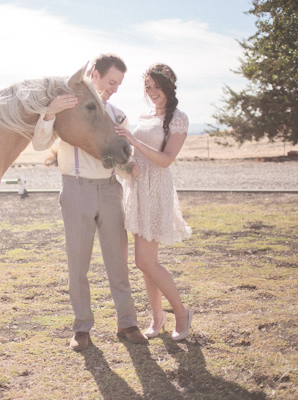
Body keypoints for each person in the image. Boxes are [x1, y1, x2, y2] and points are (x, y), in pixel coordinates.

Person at [32, 54, 148, 351]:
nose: (114, 89)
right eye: (111, 81)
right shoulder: (68, 110)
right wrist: (49, 113)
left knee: (117, 262)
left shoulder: (118, 115)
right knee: (78, 263)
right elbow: (40, 144)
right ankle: (82, 327)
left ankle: (127, 322)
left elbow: (122, 159)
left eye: (119, 84)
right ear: (93, 75)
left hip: (110, 191)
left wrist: (130, 165)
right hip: (76, 190)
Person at [115, 63, 193, 341]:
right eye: (147, 87)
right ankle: (156, 318)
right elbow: (136, 152)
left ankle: (182, 313)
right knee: (148, 262)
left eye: (156, 86)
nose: (151, 91)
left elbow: (165, 160)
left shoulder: (179, 119)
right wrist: (131, 158)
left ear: (169, 86)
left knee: (144, 261)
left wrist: (134, 140)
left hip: (156, 189)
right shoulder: (144, 116)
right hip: (137, 188)